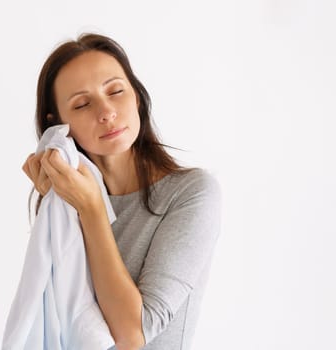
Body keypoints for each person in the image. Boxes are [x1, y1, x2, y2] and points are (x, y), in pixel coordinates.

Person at [22, 33, 221, 350]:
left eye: (116, 91)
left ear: (137, 97)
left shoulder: (191, 193)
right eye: (83, 104)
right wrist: (58, 209)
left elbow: (132, 335)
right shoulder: (65, 200)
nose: (106, 112)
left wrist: (91, 210)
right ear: (58, 125)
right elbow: (57, 321)